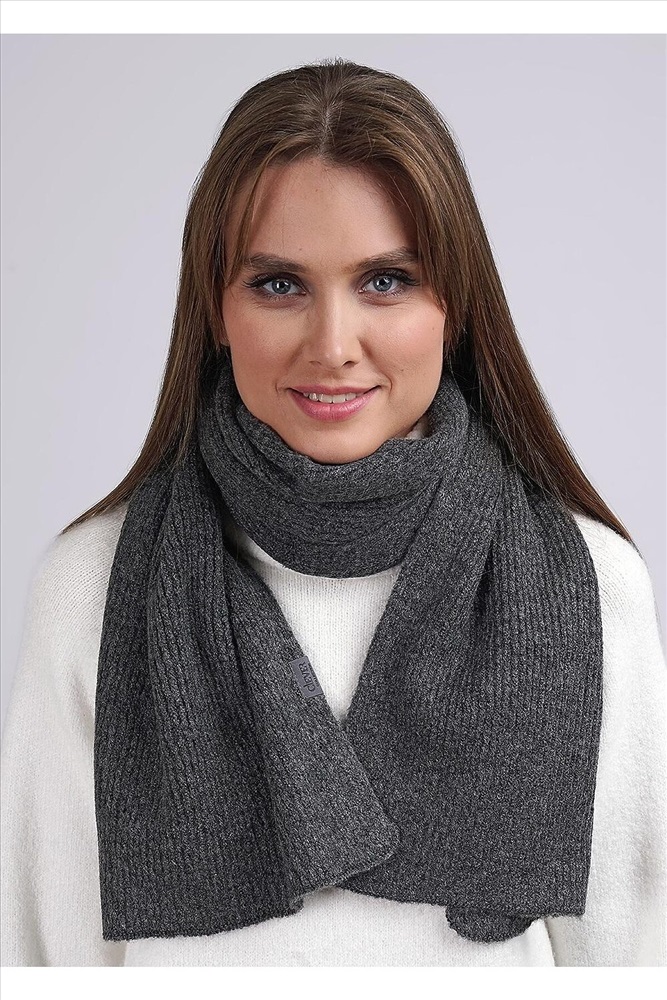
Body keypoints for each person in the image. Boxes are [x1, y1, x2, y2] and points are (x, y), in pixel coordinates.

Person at [1, 57, 665, 968]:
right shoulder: (93, 586)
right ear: (214, 308)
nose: (332, 345)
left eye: (385, 281)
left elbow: (637, 958)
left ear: (454, 306)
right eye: (279, 284)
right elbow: (40, 957)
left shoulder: (588, 584)